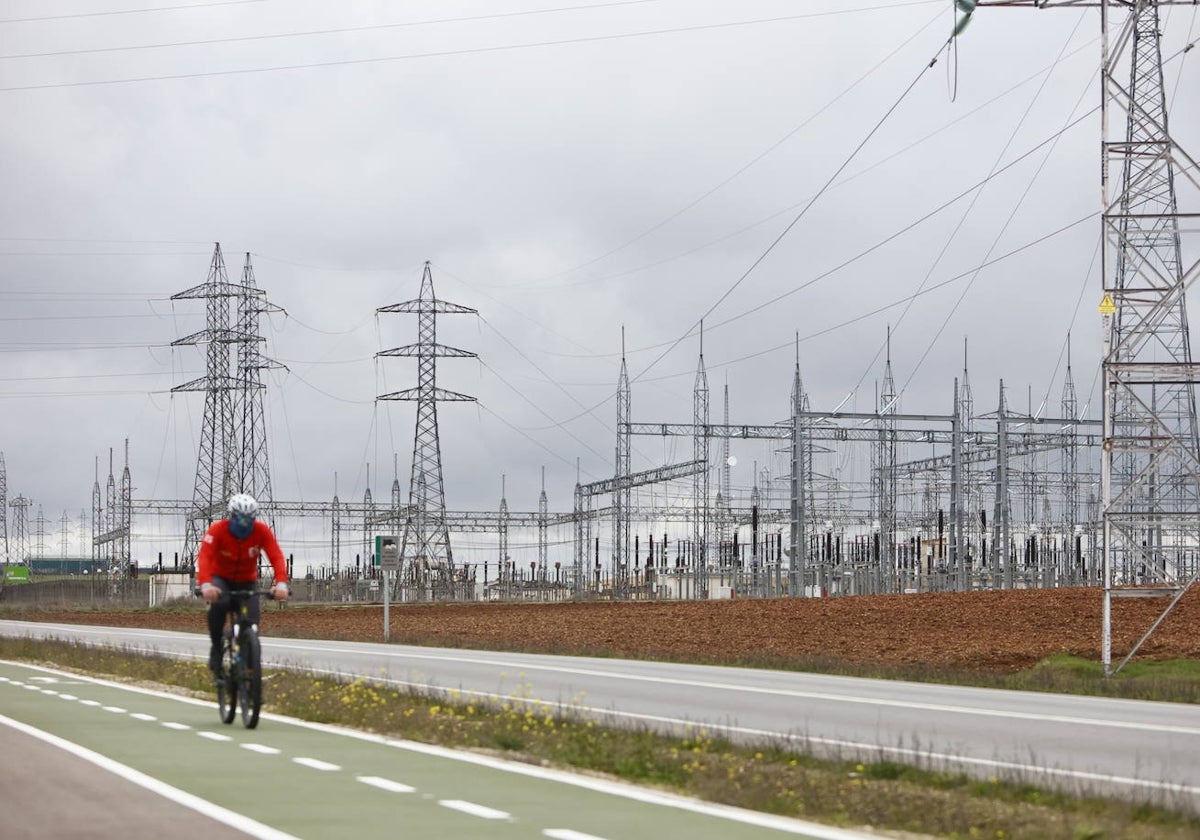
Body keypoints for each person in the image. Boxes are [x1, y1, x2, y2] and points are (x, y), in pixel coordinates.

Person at [196, 493, 290, 675]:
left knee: (252, 622)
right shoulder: (217, 530)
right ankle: (216, 648)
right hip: (220, 579)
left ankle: (250, 677)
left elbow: (276, 556)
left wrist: (282, 584)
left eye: (249, 520)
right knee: (219, 605)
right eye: (240, 519)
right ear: (232, 517)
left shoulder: (261, 531)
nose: (245, 524)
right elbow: (205, 557)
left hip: (246, 581)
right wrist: (206, 584)